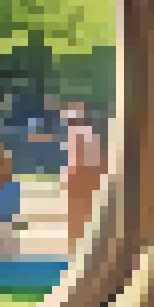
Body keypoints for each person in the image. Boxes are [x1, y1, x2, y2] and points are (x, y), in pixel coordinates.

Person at [60, 104, 104, 248]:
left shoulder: (84, 134)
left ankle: (78, 243)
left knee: (81, 212)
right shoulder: (84, 133)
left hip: (83, 176)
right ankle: (77, 242)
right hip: (80, 177)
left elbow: (86, 158)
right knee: (80, 213)